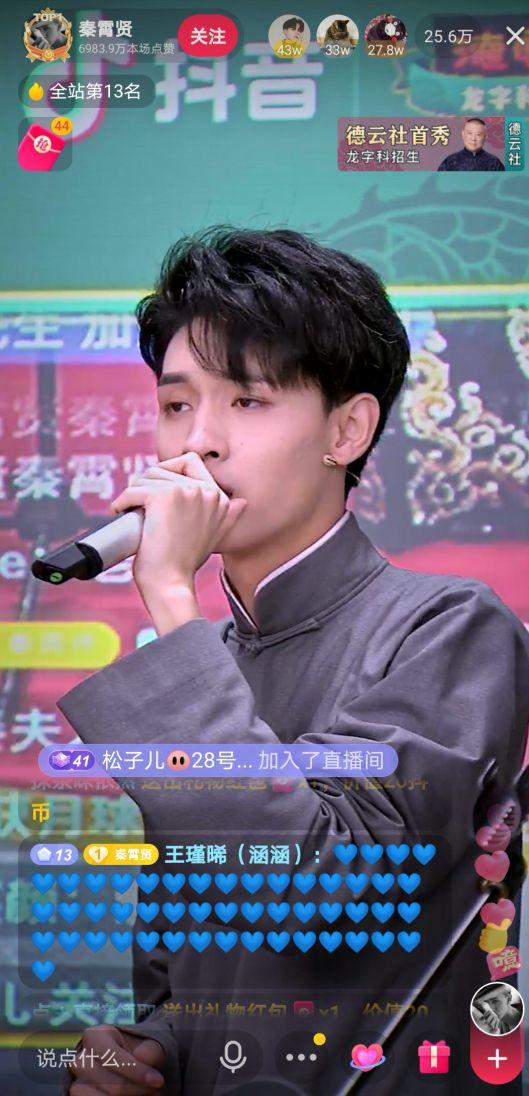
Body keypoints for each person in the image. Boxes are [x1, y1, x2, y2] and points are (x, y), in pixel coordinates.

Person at [58, 228, 529, 1095]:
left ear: (347, 429)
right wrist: (151, 1047)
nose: (198, 443)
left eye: (247, 401)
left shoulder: (449, 627)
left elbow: (321, 895)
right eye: (176, 405)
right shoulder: (206, 662)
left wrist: (169, 596)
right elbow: (186, 968)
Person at [438, 117, 505, 171]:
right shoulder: (450, 161)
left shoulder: (494, 162)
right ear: (463, 134)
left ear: (485, 137)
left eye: (478, 134)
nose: (473, 139)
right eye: (470, 133)